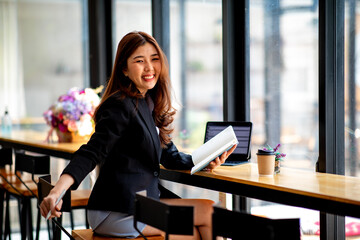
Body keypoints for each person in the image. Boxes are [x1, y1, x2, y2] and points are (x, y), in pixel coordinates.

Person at [39, 31, 236, 240]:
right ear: (124, 68)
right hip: (117, 210)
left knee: (208, 216)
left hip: (141, 204)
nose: (149, 67)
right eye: (139, 61)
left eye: (154, 59)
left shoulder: (148, 101)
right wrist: (56, 192)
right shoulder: (120, 104)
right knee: (208, 218)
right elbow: (91, 152)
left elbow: (169, 156)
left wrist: (205, 162)